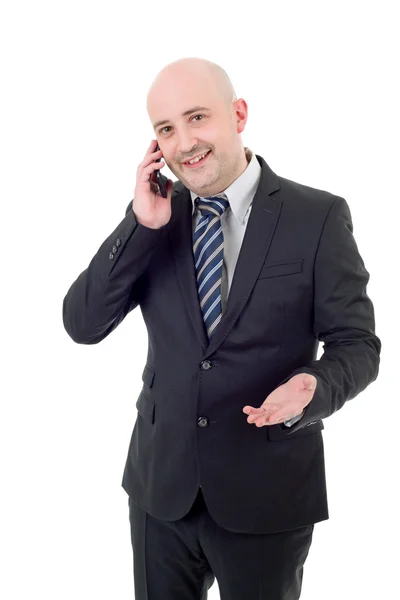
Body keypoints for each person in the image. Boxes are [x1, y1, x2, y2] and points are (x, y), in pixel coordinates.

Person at [62, 57, 381, 600]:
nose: (184, 143)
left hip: (268, 491)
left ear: (238, 114)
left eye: (197, 118)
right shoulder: (156, 217)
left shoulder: (317, 216)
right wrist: (139, 227)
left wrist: (315, 387)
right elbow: (83, 324)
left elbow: (357, 344)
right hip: (161, 491)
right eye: (166, 129)